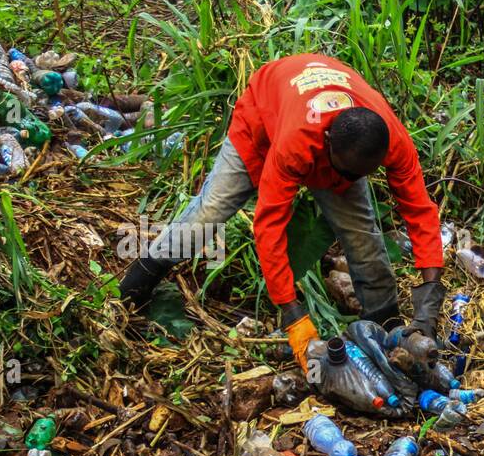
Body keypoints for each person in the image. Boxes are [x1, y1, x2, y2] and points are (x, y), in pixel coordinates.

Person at [118, 53, 446, 370]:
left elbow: (419, 211)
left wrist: (429, 304)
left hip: (333, 143)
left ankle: (386, 333)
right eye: (348, 174)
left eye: (362, 175)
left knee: (362, 237)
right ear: (329, 141)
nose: (352, 182)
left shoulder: (389, 141)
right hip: (262, 121)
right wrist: (294, 317)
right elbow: (269, 226)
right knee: (210, 213)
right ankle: (135, 287)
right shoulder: (296, 143)